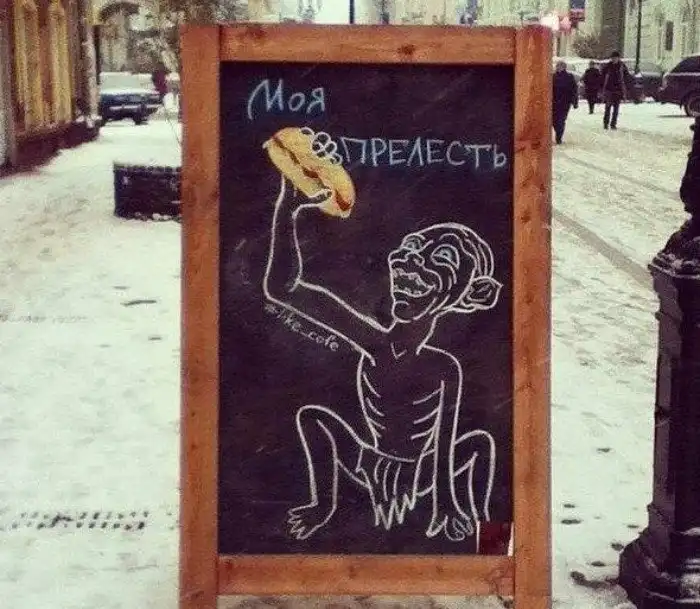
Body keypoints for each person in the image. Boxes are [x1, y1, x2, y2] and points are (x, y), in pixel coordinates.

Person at [264, 174, 504, 552]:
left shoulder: (443, 367)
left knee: (479, 446)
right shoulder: (372, 343)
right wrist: (287, 209)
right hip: (368, 460)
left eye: (441, 259)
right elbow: (284, 288)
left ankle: (487, 545)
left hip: (421, 472)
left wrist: (447, 505)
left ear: (467, 293)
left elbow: (444, 445)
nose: (411, 261)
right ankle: (324, 505)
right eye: (410, 250)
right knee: (312, 417)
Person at [601, 51, 630, 130]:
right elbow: (602, 77)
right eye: (613, 58)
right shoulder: (608, 66)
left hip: (618, 90)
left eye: (616, 58)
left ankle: (613, 124)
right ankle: (606, 123)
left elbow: (626, 77)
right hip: (609, 89)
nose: (614, 59)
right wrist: (602, 88)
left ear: (618, 58)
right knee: (608, 107)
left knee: (616, 108)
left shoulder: (622, 66)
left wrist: (626, 88)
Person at [552, 60, 578, 145]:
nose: (558, 68)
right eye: (557, 66)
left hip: (565, 102)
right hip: (554, 102)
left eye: (559, 66)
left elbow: (574, 90)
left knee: (561, 120)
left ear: (564, 67)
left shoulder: (569, 77)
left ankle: (559, 137)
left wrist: (575, 101)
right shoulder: (553, 76)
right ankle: (558, 132)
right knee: (554, 120)